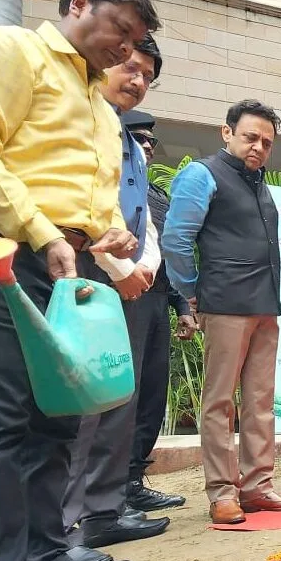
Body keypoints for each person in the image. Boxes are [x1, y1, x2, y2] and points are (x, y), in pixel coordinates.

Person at [0, 0, 158, 561]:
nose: (126, 51)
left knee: (55, 415)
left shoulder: (99, 106)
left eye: (136, 42)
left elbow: (98, 196)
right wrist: (44, 230)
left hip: (63, 261)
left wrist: (107, 235)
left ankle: (47, 557)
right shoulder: (9, 50)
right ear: (78, 3)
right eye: (121, 31)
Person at [162, 99, 281, 525]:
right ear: (226, 133)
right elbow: (176, 239)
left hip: (265, 306)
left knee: (260, 402)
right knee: (219, 402)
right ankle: (222, 493)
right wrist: (191, 291)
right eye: (250, 137)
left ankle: (258, 487)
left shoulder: (258, 183)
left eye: (266, 142)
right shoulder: (202, 174)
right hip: (224, 304)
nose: (258, 147)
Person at [62, 34, 172, 550]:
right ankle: (69, 525)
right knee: (86, 402)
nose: (138, 81)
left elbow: (141, 221)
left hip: (128, 280)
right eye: (130, 67)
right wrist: (117, 266)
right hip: (86, 271)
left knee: (118, 398)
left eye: (148, 76)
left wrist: (140, 268)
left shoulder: (124, 139)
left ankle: (105, 510)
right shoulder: (79, 121)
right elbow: (81, 210)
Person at [122, 109, 197, 513]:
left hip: (155, 299)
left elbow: (164, 255)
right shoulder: (110, 184)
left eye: (151, 140)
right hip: (120, 295)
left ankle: (132, 483)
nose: (147, 146)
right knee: (123, 395)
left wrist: (183, 306)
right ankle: (105, 496)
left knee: (152, 393)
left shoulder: (157, 195)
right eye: (138, 137)